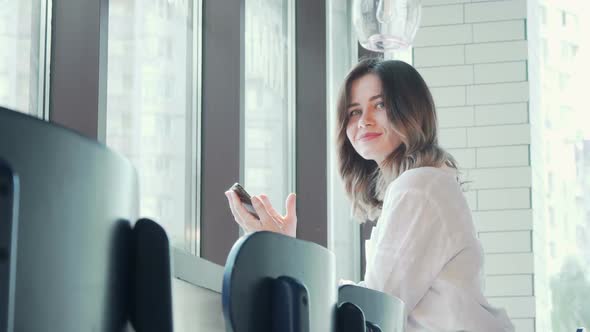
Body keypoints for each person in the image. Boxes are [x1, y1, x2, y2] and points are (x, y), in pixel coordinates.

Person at [225, 58, 514, 331]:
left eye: (380, 105)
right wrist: (288, 250)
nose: (364, 120)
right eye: (354, 111)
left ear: (412, 110)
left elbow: (373, 309)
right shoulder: (427, 184)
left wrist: (287, 252)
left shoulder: (418, 187)